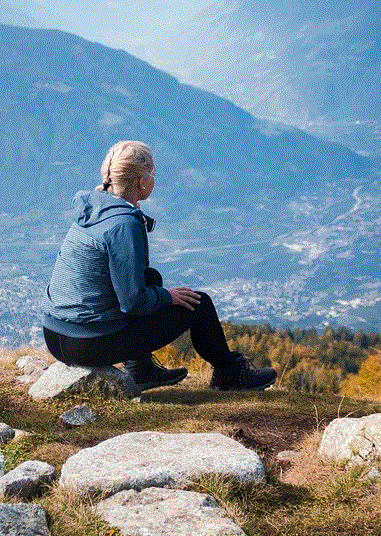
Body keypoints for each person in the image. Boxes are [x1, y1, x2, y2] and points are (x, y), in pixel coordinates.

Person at [42, 139, 277, 391]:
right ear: (142, 182)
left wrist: (159, 293)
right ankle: (231, 375)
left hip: (55, 335)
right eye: (153, 174)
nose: (154, 179)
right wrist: (167, 297)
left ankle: (141, 371)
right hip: (86, 344)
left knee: (150, 278)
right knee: (199, 305)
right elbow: (132, 303)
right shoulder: (124, 224)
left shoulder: (94, 207)